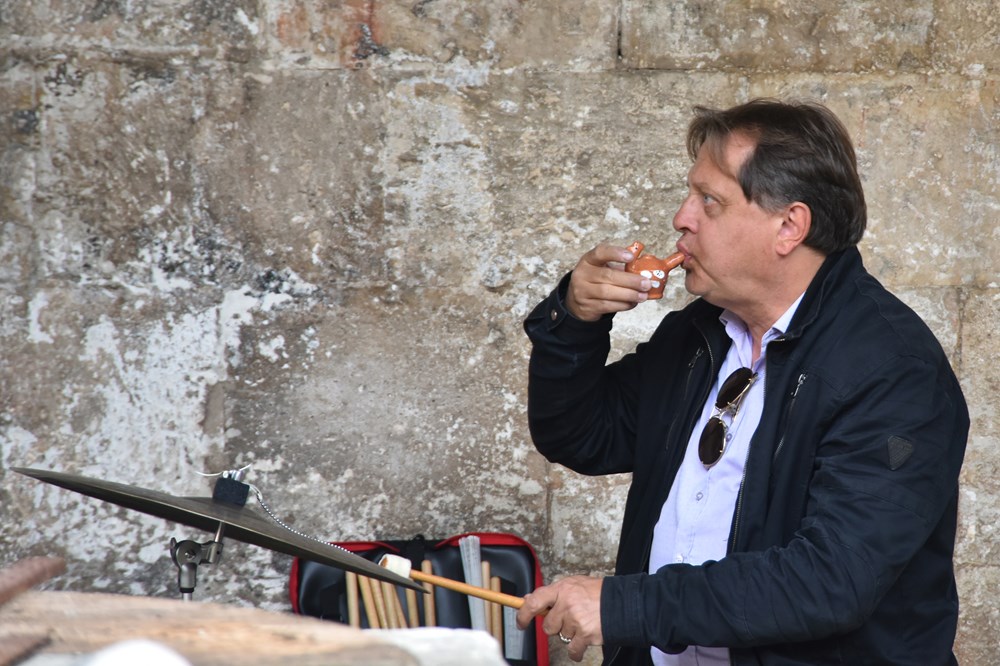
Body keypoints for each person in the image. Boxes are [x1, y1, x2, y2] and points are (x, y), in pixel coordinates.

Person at [515, 99, 969, 665]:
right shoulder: (699, 334)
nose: (682, 218)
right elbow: (581, 435)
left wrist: (626, 606)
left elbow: (831, 579)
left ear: (789, 227)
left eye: (710, 200)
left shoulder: (895, 370)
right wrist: (574, 321)